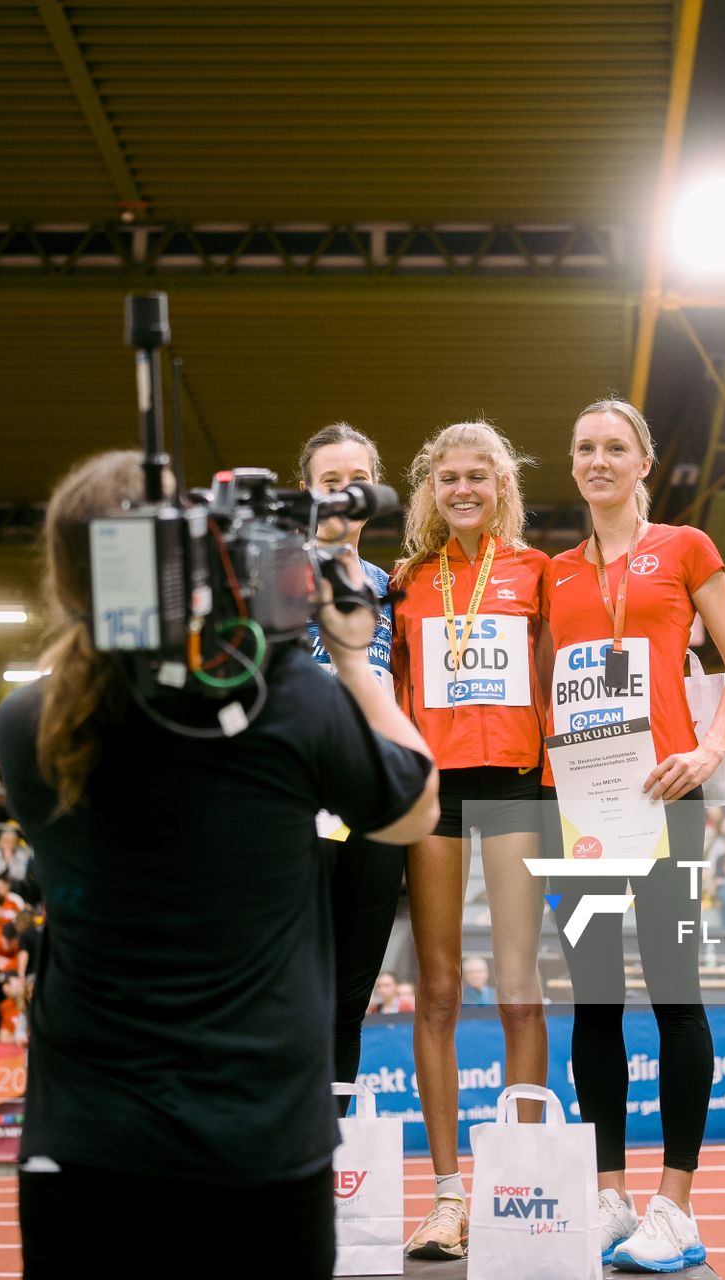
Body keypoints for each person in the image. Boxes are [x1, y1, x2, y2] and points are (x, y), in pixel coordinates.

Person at [0, 449, 438, 1280]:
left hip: (84, 1144)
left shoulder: (27, 724)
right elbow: (416, 807)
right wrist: (351, 661)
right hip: (261, 1143)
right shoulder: (286, 698)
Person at [542, 399, 725, 1272]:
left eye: (614, 448)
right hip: (584, 807)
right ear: (574, 464)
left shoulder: (686, 547)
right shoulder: (555, 572)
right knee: (595, 1002)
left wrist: (707, 750)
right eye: (584, 447)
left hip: (668, 795)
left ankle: (676, 1208)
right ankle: (607, 1197)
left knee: (676, 998)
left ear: (643, 464)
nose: (598, 460)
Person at [388, 420, 551, 1261]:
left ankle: (521, 1182)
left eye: (478, 477)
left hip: (520, 782)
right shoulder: (408, 581)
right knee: (440, 989)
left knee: (519, 985)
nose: (463, 489)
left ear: (501, 487)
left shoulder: (537, 573)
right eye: (448, 477)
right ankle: (449, 1197)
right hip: (434, 790)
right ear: (429, 488)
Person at [295, 423, 406, 1125]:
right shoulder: (270, 575)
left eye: (356, 478)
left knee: (346, 1003)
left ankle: (329, 1170)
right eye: (329, 480)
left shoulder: (390, 586)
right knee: (286, 992)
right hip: (291, 808)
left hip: (372, 809)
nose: (344, 491)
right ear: (306, 489)